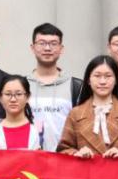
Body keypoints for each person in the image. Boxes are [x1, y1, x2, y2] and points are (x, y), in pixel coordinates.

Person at [57, 56, 118, 158]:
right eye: (97, 76)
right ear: (88, 80)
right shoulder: (75, 113)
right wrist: (76, 153)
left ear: (116, 80)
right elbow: (63, 149)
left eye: (108, 76)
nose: (102, 81)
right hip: (85, 168)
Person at [26, 23, 83, 151]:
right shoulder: (22, 85)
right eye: (42, 43)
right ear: (32, 48)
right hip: (29, 157)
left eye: (53, 43)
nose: (47, 48)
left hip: (66, 157)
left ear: (61, 49)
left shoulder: (76, 86)